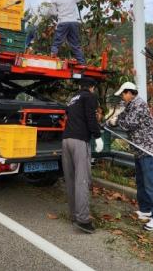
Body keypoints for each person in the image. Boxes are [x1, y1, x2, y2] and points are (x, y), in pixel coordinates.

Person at [110, 82, 153, 232]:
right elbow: (123, 116)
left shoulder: (139, 105)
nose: (122, 97)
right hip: (139, 150)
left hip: (147, 149)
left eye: (123, 94)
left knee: (151, 184)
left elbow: (130, 124)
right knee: (141, 182)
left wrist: (117, 121)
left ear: (130, 92)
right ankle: (145, 210)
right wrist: (115, 119)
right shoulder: (130, 105)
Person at [61, 77, 103, 234]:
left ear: (80, 86)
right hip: (79, 141)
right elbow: (90, 117)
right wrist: (97, 136)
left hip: (66, 140)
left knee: (71, 179)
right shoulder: (89, 96)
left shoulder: (73, 98)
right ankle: (83, 220)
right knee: (82, 180)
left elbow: (69, 116)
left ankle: (74, 215)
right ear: (92, 87)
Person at [49, 0, 85, 64]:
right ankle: (82, 63)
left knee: (57, 42)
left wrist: (60, 13)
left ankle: (53, 56)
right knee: (75, 44)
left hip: (63, 22)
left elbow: (53, 12)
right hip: (73, 22)